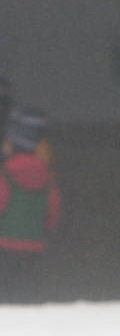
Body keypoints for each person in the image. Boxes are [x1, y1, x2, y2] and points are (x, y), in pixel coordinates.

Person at [0, 105, 61, 303]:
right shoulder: (48, 178)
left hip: (3, 252)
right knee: (26, 306)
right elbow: (51, 218)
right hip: (33, 253)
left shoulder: (4, 175)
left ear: (11, 143)